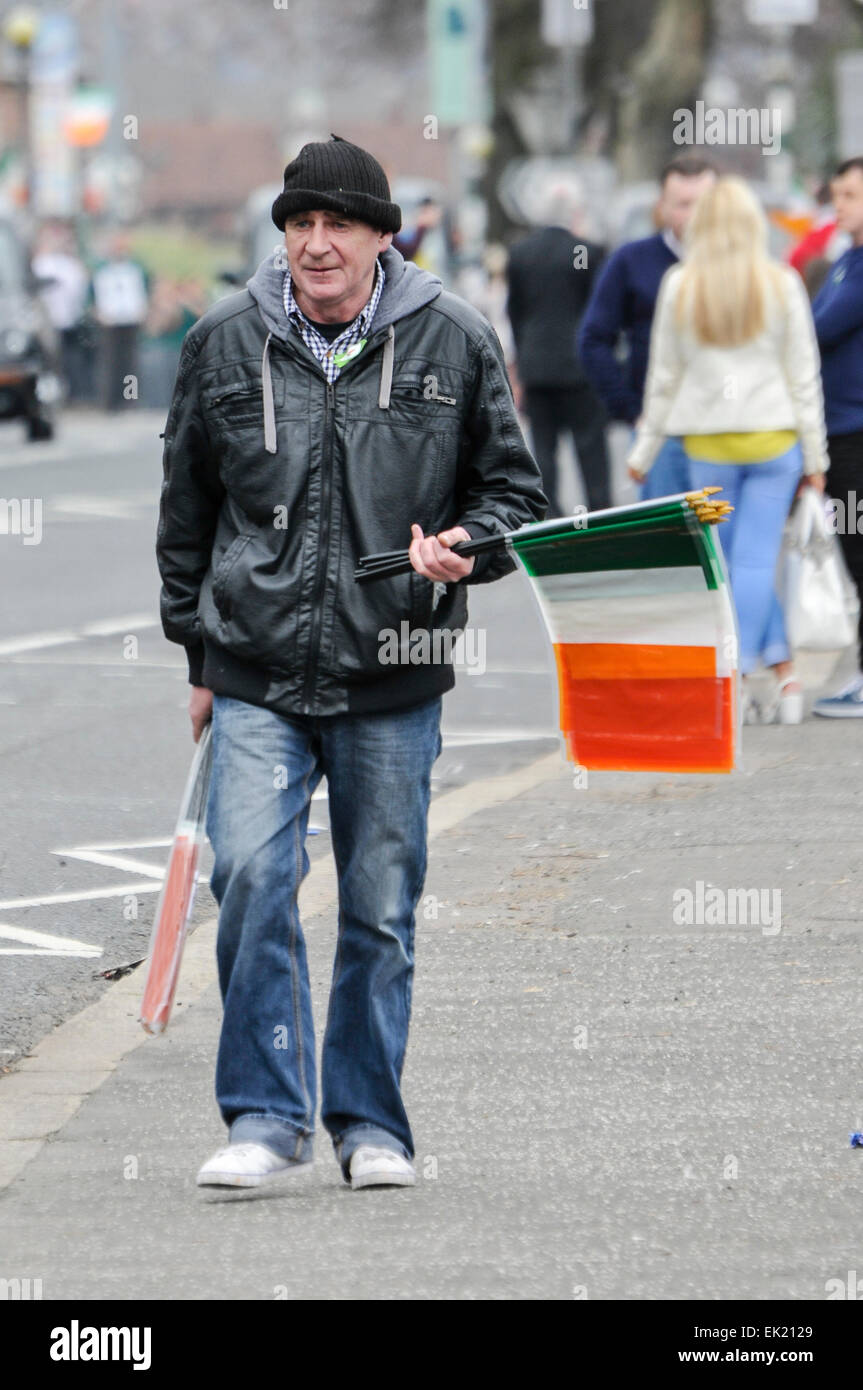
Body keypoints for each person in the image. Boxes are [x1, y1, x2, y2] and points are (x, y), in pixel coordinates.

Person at [155, 135, 547, 1192]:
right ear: (281, 235)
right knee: (251, 880)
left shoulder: (452, 338)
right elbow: (186, 511)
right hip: (254, 671)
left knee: (378, 902)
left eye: (338, 225)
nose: (316, 245)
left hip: (393, 667)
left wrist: (468, 545)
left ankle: (370, 1123)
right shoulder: (226, 340)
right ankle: (263, 1115)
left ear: (383, 236)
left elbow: (514, 498)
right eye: (298, 224)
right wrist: (196, 653)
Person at [627, 176, 827, 725]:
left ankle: (730, 689)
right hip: (775, 443)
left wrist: (644, 450)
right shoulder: (782, 282)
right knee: (757, 563)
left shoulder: (681, 285)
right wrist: (817, 459)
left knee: (717, 566)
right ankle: (773, 686)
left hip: (708, 445)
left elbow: (663, 378)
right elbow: (803, 375)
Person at [578, 155, 717, 499]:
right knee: (671, 545)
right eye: (684, 205)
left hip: (727, 430)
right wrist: (630, 410)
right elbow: (593, 339)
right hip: (662, 431)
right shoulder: (631, 261)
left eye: (705, 204)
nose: (696, 214)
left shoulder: (741, 263)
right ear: (663, 207)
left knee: (726, 546)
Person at [505, 182, 611, 516]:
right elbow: (599, 313)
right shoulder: (587, 253)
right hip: (580, 367)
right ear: (575, 215)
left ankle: (549, 514)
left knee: (544, 449)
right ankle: (599, 509)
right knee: (590, 447)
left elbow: (515, 311)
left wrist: (521, 362)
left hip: (537, 367)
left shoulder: (521, 254)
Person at [810, 156, 863, 717]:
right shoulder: (848, 259)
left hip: (856, 431)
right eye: (839, 193)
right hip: (841, 429)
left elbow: (816, 329)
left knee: (862, 554)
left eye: (852, 194)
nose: (840, 203)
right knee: (854, 554)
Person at [91, 230, 150, 412]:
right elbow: (91, 296)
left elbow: (146, 290)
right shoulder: (101, 270)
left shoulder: (136, 268)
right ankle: (109, 402)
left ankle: (130, 399)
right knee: (110, 363)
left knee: (130, 363)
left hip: (131, 319)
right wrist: (98, 312)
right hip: (109, 321)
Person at [32, 223, 90, 402]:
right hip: (47, 321)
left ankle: (73, 394)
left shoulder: (69, 264)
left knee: (70, 359)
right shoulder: (41, 263)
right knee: (51, 359)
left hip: (69, 319)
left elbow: (79, 288)